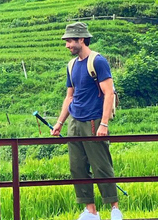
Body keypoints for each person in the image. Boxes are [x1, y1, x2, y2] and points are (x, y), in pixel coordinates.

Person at [51, 22, 121, 220]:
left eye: (70, 41)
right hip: (75, 121)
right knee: (77, 167)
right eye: (66, 41)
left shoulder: (97, 61)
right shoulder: (71, 65)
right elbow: (69, 97)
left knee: (101, 165)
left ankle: (114, 209)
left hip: (93, 120)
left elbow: (109, 93)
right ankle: (90, 211)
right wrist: (59, 122)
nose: (67, 45)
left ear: (82, 39)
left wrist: (104, 123)